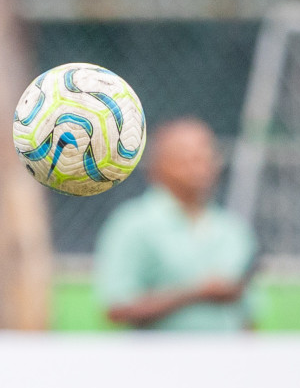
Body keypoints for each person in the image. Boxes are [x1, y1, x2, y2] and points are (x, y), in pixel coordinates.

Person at [94, 117, 258, 331]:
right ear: (157, 166)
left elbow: (247, 316)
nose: (201, 167)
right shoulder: (133, 224)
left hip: (226, 362)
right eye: (188, 159)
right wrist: (196, 293)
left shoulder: (233, 230)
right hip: (158, 363)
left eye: (207, 157)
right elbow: (116, 308)